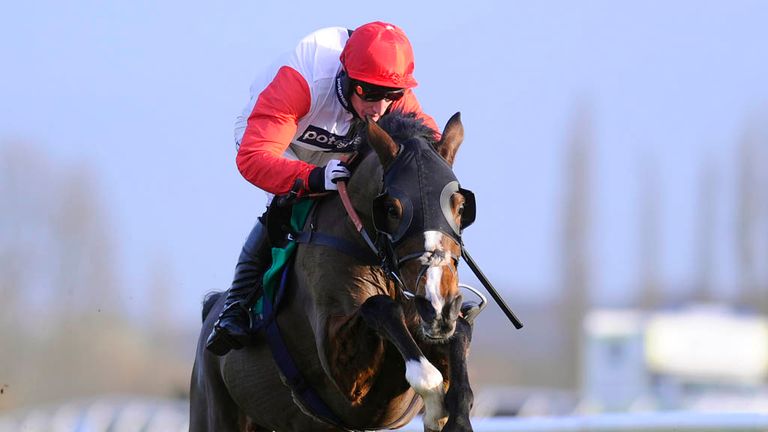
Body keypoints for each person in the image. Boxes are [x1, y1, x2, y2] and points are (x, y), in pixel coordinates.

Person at [206, 21, 440, 356]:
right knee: (290, 204)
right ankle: (236, 305)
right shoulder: (303, 78)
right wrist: (312, 179)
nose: (379, 108)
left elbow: (429, 148)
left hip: (337, 145)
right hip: (277, 141)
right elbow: (254, 158)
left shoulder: (390, 91)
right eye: (369, 94)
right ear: (346, 75)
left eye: (390, 96)